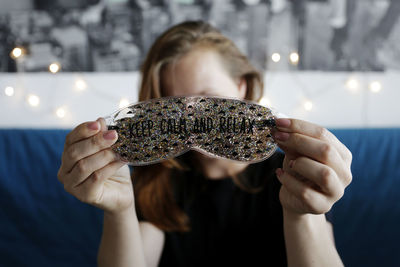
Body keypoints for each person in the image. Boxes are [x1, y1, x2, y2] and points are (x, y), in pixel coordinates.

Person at [57, 21, 352, 267]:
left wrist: (302, 214)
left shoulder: (293, 176)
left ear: (242, 86)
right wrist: (119, 211)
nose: (193, 123)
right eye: (174, 112)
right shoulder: (157, 181)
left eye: (208, 101)